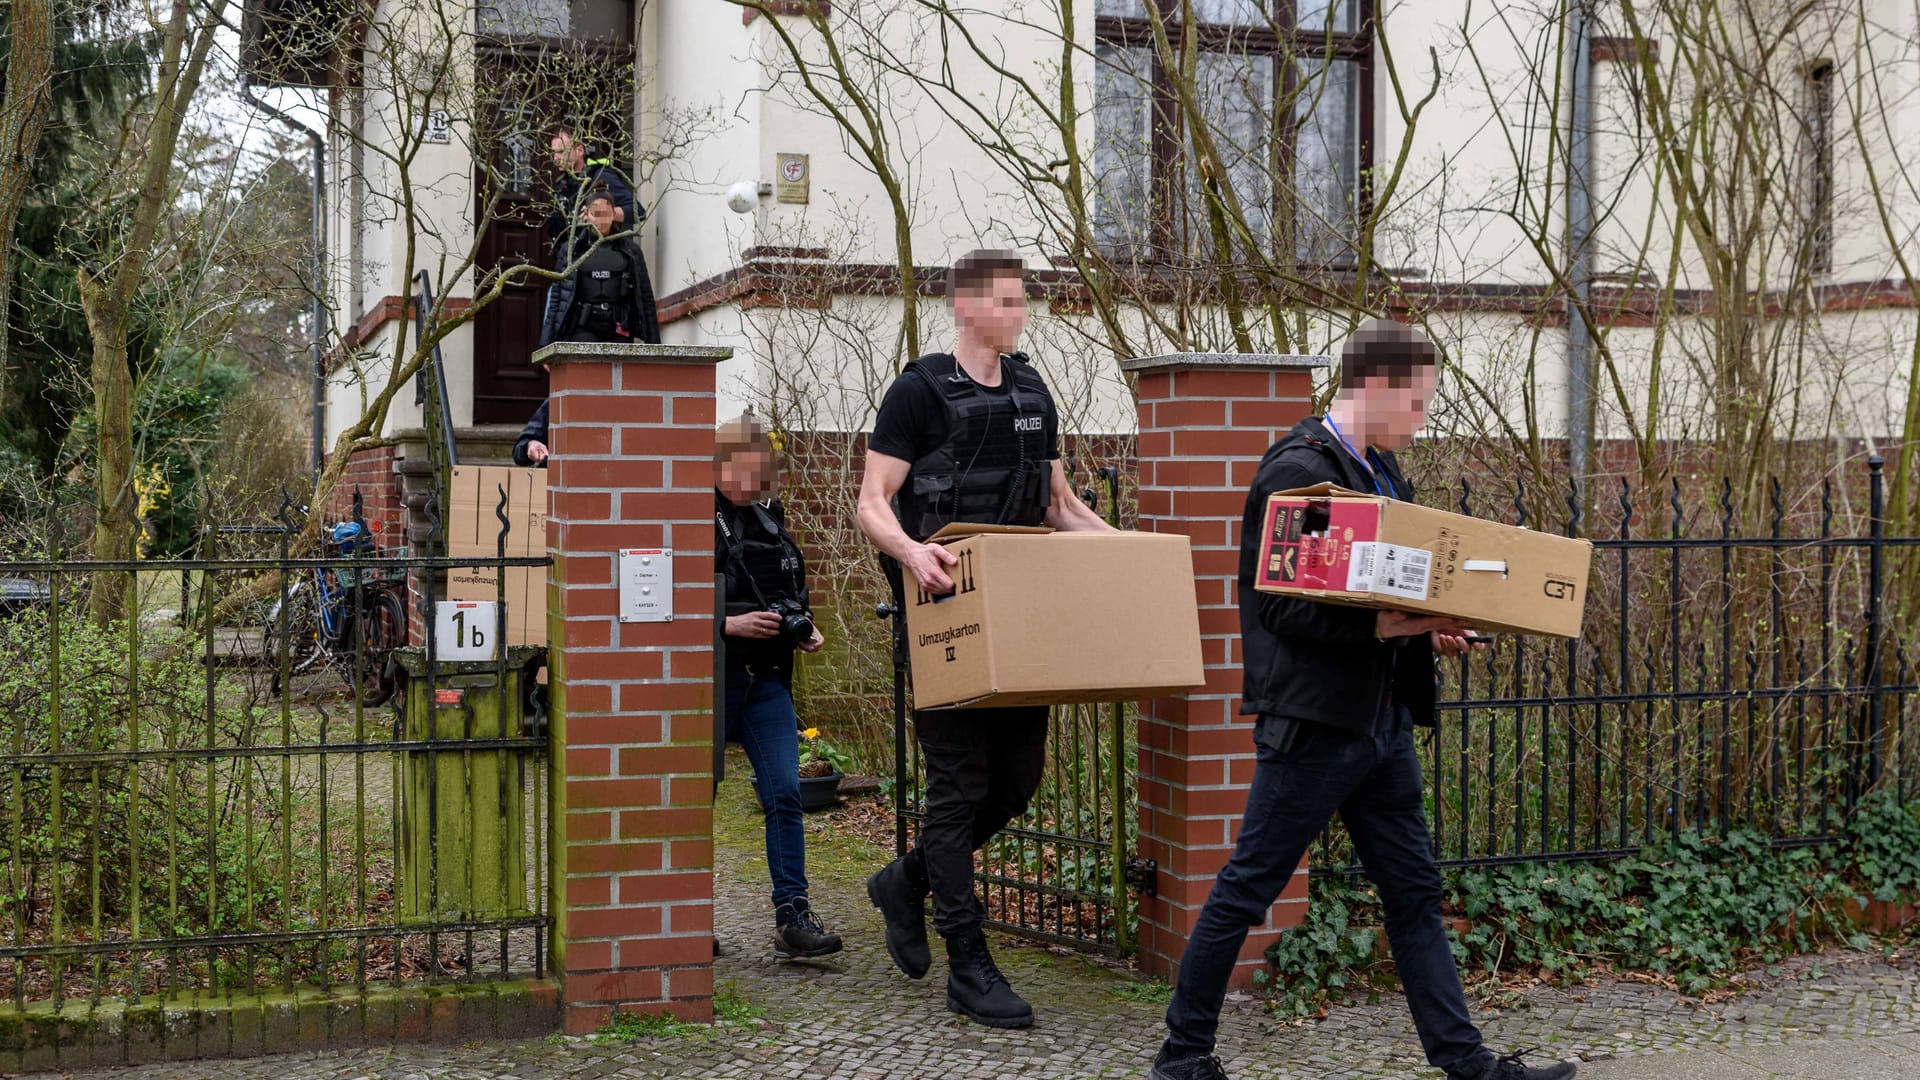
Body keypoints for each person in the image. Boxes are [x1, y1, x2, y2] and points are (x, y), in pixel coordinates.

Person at [1148, 320, 1575, 1080]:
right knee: (1248, 889)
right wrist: (1392, 625)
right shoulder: (1301, 473)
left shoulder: (1379, 473)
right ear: (1374, 386)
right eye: (1416, 401)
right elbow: (1285, 609)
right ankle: (1181, 1058)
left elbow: (1389, 591)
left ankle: (1467, 1064)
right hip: (1315, 726)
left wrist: (1425, 630)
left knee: (1414, 895)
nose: (1422, 418)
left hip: (1380, 726)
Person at [855, 248, 1115, 1029]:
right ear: (966, 307)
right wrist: (911, 553)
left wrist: (1132, 554)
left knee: (1017, 783)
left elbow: (1060, 507)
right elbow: (871, 502)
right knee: (957, 786)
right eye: (1008, 300)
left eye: (1021, 299)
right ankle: (968, 961)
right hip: (946, 617)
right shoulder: (918, 392)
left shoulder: (1034, 390)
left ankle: (905, 881)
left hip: (1023, 616)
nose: (1021, 311)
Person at [713, 413, 844, 959]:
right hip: (712, 682)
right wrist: (725, 624)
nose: (763, 480)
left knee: (785, 794)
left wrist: (803, 624)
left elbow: (791, 589)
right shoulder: (687, 512)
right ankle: (687, 916)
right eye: (752, 468)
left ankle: (793, 914)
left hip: (765, 679)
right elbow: (657, 601)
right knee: (697, 799)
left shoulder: (771, 518)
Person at [512, 187, 661, 468]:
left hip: (619, 329)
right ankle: (532, 441)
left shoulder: (630, 251)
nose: (601, 219)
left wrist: (655, 348)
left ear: (614, 215)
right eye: (595, 213)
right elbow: (557, 297)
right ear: (586, 215)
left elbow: (645, 300)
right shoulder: (572, 250)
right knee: (579, 385)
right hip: (582, 328)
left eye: (606, 213)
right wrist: (547, 347)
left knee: (618, 390)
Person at [540, 124, 644, 348]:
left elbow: (636, 210)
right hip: (569, 265)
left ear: (579, 150)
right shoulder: (563, 186)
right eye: (553, 152)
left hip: (601, 264)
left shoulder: (601, 177)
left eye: (561, 151)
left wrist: (604, 215)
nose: (555, 157)